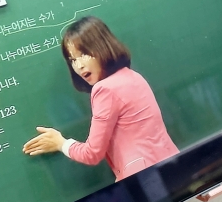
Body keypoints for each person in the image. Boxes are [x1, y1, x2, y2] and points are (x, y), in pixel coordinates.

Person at [22, 16, 179, 181]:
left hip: (146, 179)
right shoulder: (133, 76)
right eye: (73, 60)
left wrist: (60, 143)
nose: (79, 65)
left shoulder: (104, 90)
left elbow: (92, 154)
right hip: (172, 166)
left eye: (84, 54)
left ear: (102, 48)